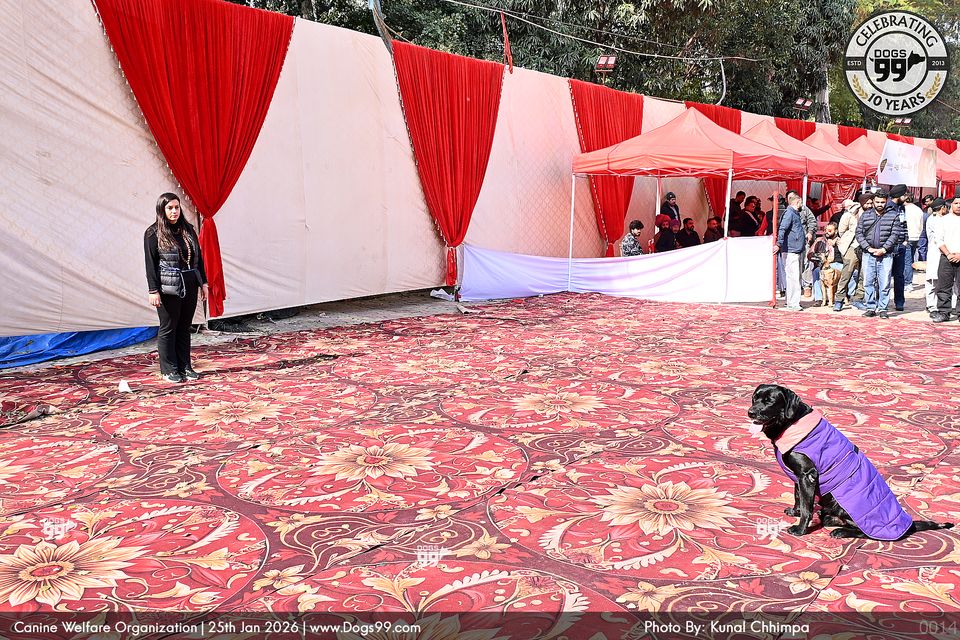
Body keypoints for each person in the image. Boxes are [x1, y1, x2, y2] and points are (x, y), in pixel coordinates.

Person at [144, 192, 209, 383]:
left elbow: (199, 258)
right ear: (162, 210)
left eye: (177, 207)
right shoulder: (153, 233)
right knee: (169, 326)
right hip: (168, 286)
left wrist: (204, 283)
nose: (174, 211)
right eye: (170, 208)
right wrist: (153, 290)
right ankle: (169, 369)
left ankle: (184, 366)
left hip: (190, 283)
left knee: (184, 326)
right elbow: (150, 264)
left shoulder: (188, 229)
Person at [855, 189, 899, 319]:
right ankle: (870, 307)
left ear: (886, 201)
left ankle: (883, 308)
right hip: (868, 253)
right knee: (868, 282)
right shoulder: (865, 215)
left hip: (886, 254)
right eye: (877, 202)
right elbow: (859, 233)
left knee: (884, 283)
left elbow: (895, 234)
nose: (880, 204)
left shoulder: (893, 215)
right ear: (873, 201)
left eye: (882, 202)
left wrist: (884, 249)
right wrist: (868, 248)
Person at [773, 192, 806, 311]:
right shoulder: (790, 213)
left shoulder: (792, 213)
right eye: (801, 203)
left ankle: (790, 301)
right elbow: (782, 228)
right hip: (791, 249)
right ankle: (793, 303)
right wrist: (779, 243)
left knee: (793, 277)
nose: (802, 205)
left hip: (794, 248)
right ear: (797, 202)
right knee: (794, 277)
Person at [932, 196, 960, 322]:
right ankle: (944, 312)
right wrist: (948, 254)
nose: (958, 205)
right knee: (944, 286)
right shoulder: (943, 220)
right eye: (956, 203)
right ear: (951, 204)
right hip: (946, 257)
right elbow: (939, 240)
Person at [833, 197, 864, 312]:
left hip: (866, 246)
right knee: (847, 273)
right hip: (852, 246)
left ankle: (858, 299)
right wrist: (848, 241)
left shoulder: (872, 213)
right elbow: (841, 230)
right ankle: (839, 300)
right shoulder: (849, 214)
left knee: (863, 275)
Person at [886, 184, 911, 312]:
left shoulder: (902, 208)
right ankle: (883, 301)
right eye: (905, 195)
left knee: (899, 275)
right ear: (899, 195)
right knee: (885, 275)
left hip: (901, 246)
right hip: (888, 246)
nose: (906, 197)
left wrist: (906, 239)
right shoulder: (887, 207)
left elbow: (904, 224)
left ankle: (899, 302)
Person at [922, 198, 948, 314]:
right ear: (943, 208)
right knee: (933, 281)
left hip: (939, 252)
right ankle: (931, 305)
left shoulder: (939, 219)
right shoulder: (935, 220)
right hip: (936, 252)